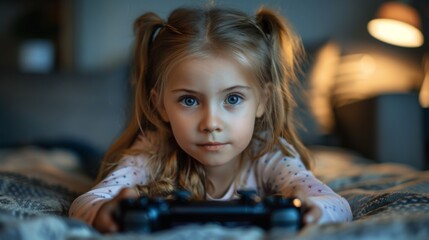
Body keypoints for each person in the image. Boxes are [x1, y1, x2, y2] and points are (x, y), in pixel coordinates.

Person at [69, 5, 352, 233]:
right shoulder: (152, 151)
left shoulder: (269, 155)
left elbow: (337, 205)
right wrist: (106, 212)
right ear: (161, 106)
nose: (211, 123)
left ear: (262, 101)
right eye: (189, 100)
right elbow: (85, 203)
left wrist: (314, 210)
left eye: (232, 99)